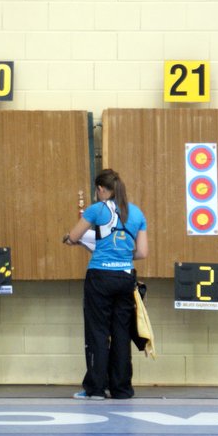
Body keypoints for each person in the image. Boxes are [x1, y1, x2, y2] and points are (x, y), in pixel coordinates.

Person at [63, 169, 148, 400]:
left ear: (101, 189)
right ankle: (121, 389)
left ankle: (96, 389)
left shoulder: (97, 209)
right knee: (121, 333)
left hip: (100, 276)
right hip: (125, 277)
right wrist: (122, 255)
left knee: (98, 333)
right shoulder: (137, 213)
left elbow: (74, 236)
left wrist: (69, 239)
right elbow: (142, 252)